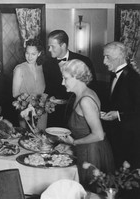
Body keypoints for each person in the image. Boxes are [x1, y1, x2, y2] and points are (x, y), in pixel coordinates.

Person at [60, 59, 114, 190]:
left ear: (77, 77)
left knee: (90, 192)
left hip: (92, 153)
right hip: (86, 149)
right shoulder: (80, 95)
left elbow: (99, 135)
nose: (62, 82)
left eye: (65, 78)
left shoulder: (85, 100)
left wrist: (74, 143)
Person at [43, 30, 97, 128]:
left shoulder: (83, 61)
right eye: (49, 46)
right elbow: (48, 87)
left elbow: (92, 87)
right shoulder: (47, 63)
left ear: (63, 45)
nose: (49, 49)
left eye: (52, 46)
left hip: (77, 112)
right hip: (55, 113)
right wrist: (49, 98)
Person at [101, 42, 140, 170]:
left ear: (119, 57)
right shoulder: (115, 75)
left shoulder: (134, 78)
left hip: (129, 140)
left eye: (107, 57)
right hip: (116, 137)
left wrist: (118, 115)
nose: (104, 61)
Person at [12, 38, 46, 130]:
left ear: (39, 53)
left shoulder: (41, 67)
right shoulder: (19, 69)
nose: (29, 57)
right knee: (27, 141)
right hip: (26, 113)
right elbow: (15, 94)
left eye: (33, 54)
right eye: (27, 53)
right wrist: (29, 106)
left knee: (42, 140)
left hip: (41, 112)